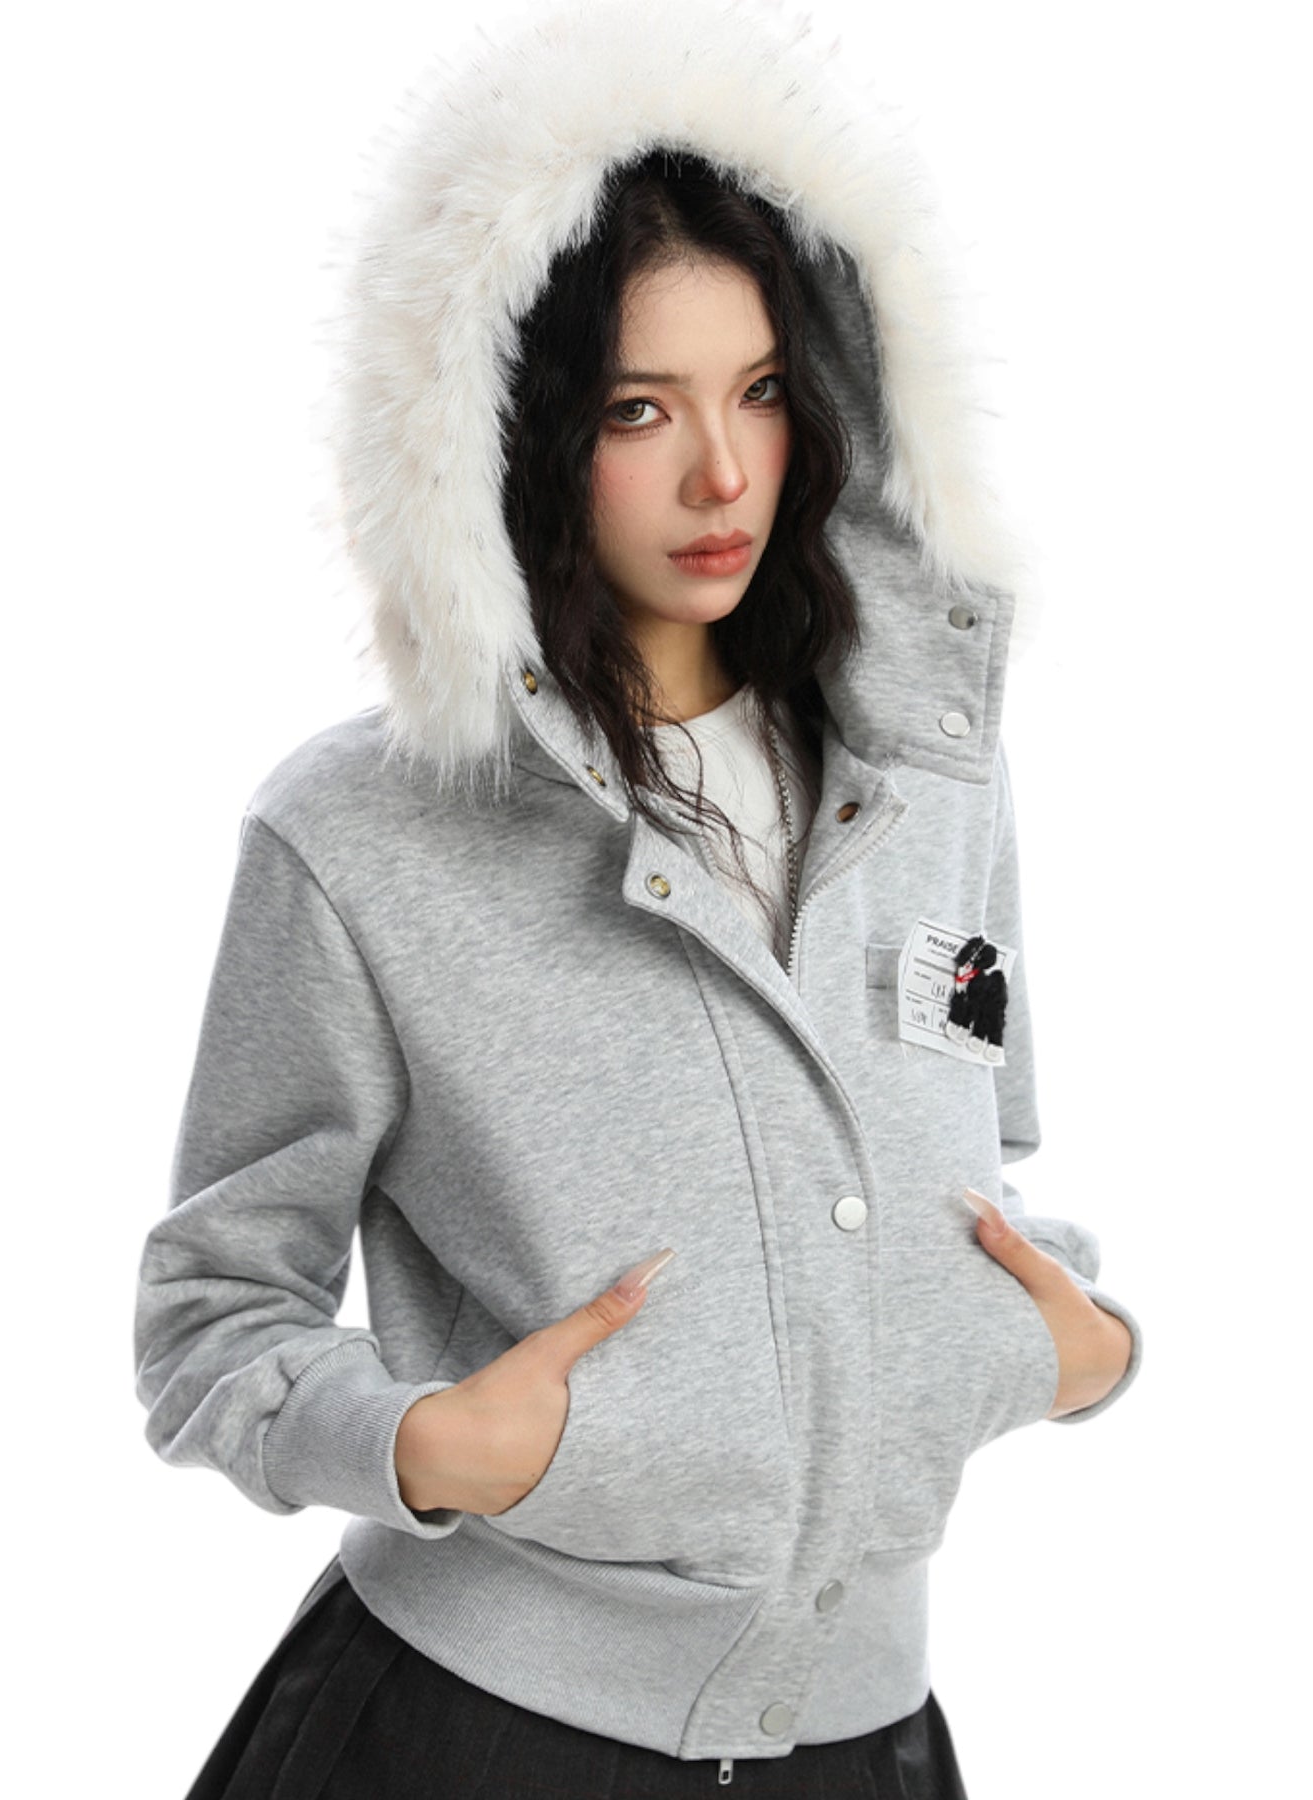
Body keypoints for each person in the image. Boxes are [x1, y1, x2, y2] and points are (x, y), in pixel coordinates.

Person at [133, 1, 1142, 1794]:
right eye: (636, 409)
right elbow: (211, 1312)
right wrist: (418, 1443)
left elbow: (969, 1164)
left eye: (759, 392)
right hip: (477, 1735)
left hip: (867, 1733)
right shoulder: (354, 836)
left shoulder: (930, 772)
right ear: (513, 437)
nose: (720, 475)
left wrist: (1069, 1342)